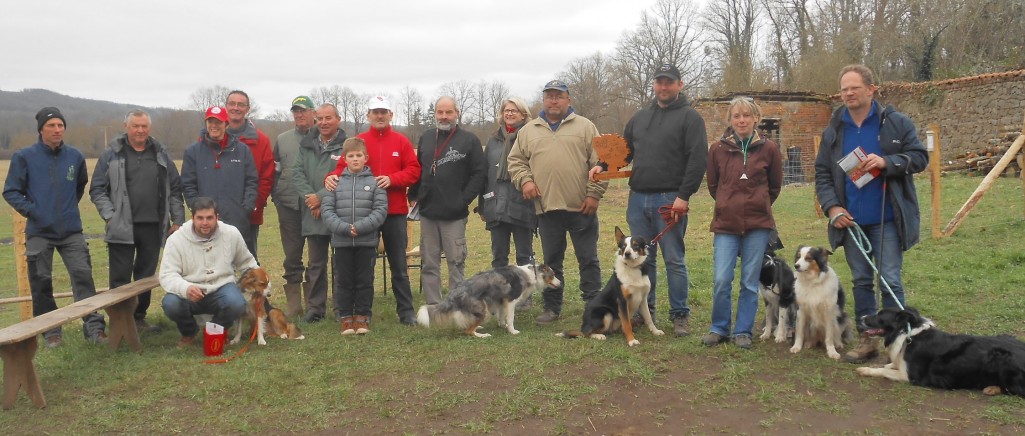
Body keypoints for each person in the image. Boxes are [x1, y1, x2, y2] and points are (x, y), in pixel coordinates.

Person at [814, 64, 929, 363]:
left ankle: (899, 344)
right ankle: (868, 342)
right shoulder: (834, 129)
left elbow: (919, 157)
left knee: (890, 279)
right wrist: (832, 207)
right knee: (862, 281)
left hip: (887, 218)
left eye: (854, 87)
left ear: (871, 89)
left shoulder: (896, 122)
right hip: (851, 222)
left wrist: (887, 162)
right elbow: (823, 173)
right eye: (844, 89)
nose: (848, 93)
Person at [3, 107, 107, 347]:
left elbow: (79, 186)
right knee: (41, 282)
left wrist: (66, 208)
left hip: (71, 230)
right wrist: (35, 211)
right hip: (39, 232)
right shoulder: (24, 157)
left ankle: (94, 327)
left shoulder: (75, 157)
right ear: (41, 129)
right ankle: (51, 332)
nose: (57, 130)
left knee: (83, 276)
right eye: (51, 125)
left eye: (60, 125)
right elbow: (11, 191)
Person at [507, 80, 608, 324]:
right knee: (552, 262)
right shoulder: (529, 130)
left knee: (588, 259)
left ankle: (593, 305)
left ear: (568, 99)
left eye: (559, 96)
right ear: (543, 100)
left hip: (582, 207)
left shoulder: (585, 126)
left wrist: (594, 194)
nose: (554, 100)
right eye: (549, 96)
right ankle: (552, 308)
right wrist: (526, 181)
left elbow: (602, 162)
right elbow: (516, 162)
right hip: (547, 208)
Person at [622, 63, 708, 336]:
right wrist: (602, 164)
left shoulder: (690, 118)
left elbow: (698, 160)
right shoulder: (639, 117)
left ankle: (679, 315)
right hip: (638, 199)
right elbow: (623, 152)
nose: (663, 86)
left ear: (679, 85)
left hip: (669, 199)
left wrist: (684, 196)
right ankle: (646, 312)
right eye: (659, 82)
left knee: (674, 259)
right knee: (643, 260)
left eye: (669, 82)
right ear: (654, 85)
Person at [324, 96, 421, 325]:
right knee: (363, 266)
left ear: (391, 115)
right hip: (362, 215)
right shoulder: (359, 141)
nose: (379, 116)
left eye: (384, 111)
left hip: (394, 212)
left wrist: (393, 179)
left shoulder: (401, 142)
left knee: (398, 264)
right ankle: (357, 312)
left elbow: (414, 170)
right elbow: (340, 169)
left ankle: (406, 312)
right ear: (368, 115)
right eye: (375, 112)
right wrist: (328, 179)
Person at [90, 109, 186, 333]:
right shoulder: (112, 154)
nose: (140, 130)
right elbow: (97, 190)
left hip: (153, 227)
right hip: (121, 227)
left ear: (149, 128)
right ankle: (120, 321)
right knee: (120, 278)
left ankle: (139, 318)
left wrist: (178, 220)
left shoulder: (160, 154)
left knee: (145, 276)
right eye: (136, 126)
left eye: (144, 126)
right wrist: (110, 215)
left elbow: (175, 190)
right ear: (127, 127)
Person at [702, 97, 783, 349]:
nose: (742, 120)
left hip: (758, 225)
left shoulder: (770, 149)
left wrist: (757, 204)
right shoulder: (717, 149)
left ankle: (743, 331)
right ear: (731, 120)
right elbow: (714, 185)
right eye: (737, 116)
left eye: (747, 115)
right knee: (722, 278)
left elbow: (775, 186)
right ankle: (719, 328)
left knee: (749, 281)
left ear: (756, 118)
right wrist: (728, 203)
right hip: (726, 224)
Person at [409, 96, 487, 305]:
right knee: (429, 264)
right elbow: (420, 170)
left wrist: (463, 200)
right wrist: (413, 195)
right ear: (435, 114)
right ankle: (434, 307)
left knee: (456, 261)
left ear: (457, 113)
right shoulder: (426, 138)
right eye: (440, 112)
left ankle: (456, 306)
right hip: (428, 213)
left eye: (448, 112)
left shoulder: (469, 140)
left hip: (454, 214)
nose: (444, 116)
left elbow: (479, 174)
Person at [159, 197, 257, 347]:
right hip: (190, 291)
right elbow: (167, 275)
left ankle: (215, 331)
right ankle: (189, 332)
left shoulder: (231, 234)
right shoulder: (176, 240)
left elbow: (247, 264)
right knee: (170, 304)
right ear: (192, 218)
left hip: (222, 288)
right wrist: (186, 288)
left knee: (237, 303)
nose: (205, 223)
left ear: (217, 217)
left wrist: (259, 284)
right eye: (200, 218)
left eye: (209, 218)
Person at [321, 137, 388, 335]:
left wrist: (359, 227)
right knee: (343, 281)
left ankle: (362, 317)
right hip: (341, 242)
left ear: (366, 158)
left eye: (359, 155)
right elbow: (327, 210)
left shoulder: (375, 183)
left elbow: (380, 211)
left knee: (364, 281)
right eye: (351, 156)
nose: (355, 159)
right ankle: (345, 318)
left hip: (366, 241)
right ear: (345, 158)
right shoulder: (335, 183)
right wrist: (343, 228)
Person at [479, 97, 537, 310]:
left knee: (524, 255)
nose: (510, 114)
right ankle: (499, 296)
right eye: (507, 110)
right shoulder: (493, 141)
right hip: (496, 205)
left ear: (523, 115)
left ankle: (524, 297)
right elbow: (485, 175)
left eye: (515, 111)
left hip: (522, 203)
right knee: (499, 256)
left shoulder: (531, 137)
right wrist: (483, 205)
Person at [293, 103, 348, 323]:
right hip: (312, 213)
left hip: (338, 212)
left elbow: (345, 175)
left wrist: (321, 198)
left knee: (339, 262)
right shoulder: (306, 145)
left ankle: (341, 307)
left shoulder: (346, 145)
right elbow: (296, 173)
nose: (324, 123)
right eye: (321, 119)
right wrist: (311, 199)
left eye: (329, 118)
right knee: (315, 263)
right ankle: (315, 308)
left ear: (338, 119)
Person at [180, 106, 258, 246]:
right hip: (206, 221)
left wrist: (246, 208)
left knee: (239, 262)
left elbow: (251, 181)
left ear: (226, 124)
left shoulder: (241, 150)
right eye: (210, 122)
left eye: (218, 122)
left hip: (236, 219)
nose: (214, 126)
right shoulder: (193, 151)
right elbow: (188, 184)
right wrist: (197, 208)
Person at [272, 95, 316, 317]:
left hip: (316, 205)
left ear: (313, 113)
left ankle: (314, 301)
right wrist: (276, 196)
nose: (299, 115)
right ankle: (294, 305)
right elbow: (275, 171)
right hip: (288, 204)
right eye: (296, 111)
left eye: (304, 110)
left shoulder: (323, 136)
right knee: (292, 255)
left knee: (316, 256)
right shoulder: (282, 139)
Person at [226, 90, 275, 259]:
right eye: (232, 104)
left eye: (241, 104)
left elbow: (267, 177)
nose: (236, 108)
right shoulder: (212, 137)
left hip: (248, 214)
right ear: (226, 107)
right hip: (216, 214)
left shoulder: (260, 140)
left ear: (248, 109)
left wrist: (254, 205)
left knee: (247, 261)